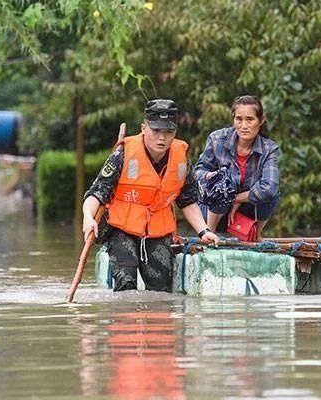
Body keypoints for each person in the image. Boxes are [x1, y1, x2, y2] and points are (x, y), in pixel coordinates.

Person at [82, 99, 219, 292]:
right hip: (122, 228)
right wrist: (88, 218)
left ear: (175, 132)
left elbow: (187, 201)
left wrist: (204, 231)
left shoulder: (182, 161)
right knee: (126, 283)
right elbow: (96, 193)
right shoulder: (123, 154)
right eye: (156, 131)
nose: (161, 138)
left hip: (158, 231)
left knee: (161, 290)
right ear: (144, 128)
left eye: (168, 132)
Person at [194, 95, 280, 240]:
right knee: (224, 182)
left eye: (250, 119)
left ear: (261, 121)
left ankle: (254, 235)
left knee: (273, 194)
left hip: (245, 212)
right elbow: (197, 171)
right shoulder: (217, 139)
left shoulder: (269, 148)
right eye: (239, 119)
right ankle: (210, 233)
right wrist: (213, 178)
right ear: (233, 119)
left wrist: (237, 199)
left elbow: (269, 187)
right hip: (212, 210)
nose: (244, 126)